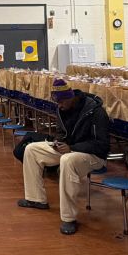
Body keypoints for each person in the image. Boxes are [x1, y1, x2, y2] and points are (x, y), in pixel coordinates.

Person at [17, 78, 110, 235]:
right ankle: (35, 199)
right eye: (57, 103)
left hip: (93, 155)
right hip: (70, 149)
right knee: (31, 149)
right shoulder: (63, 109)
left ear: (70, 97)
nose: (59, 106)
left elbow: (102, 145)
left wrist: (72, 148)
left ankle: (69, 218)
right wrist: (58, 143)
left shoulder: (96, 112)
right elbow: (62, 133)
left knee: (67, 160)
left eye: (61, 102)